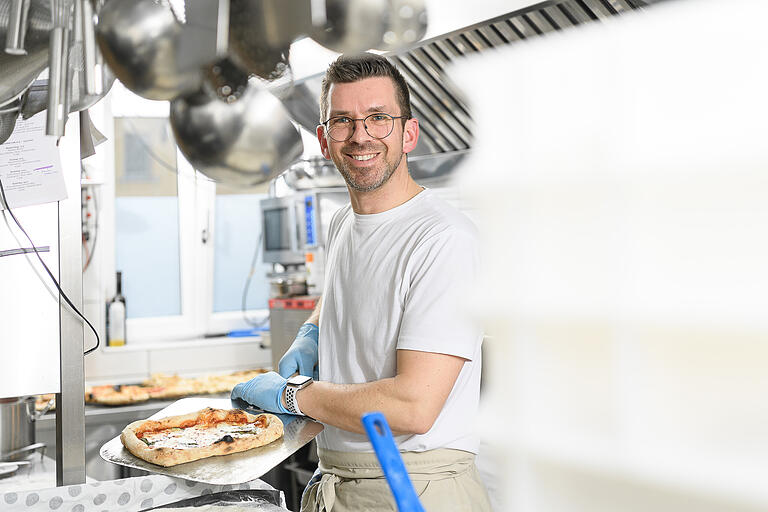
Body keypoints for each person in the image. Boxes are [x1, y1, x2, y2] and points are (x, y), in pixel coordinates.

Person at [232, 52, 491, 512]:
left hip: (412, 487)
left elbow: (414, 406)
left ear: (408, 133)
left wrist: (293, 397)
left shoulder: (442, 239)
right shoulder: (342, 223)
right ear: (324, 140)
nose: (360, 136)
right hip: (338, 478)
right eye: (343, 122)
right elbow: (347, 292)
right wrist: (311, 333)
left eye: (377, 118)